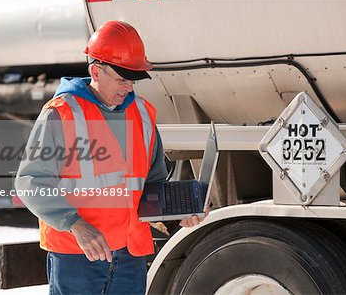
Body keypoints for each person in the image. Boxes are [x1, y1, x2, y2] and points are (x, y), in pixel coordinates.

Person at [15, 21, 205, 295]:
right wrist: (76, 225)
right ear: (95, 71)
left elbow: (151, 183)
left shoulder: (142, 114)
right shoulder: (62, 113)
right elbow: (30, 182)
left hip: (130, 256)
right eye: (121, 78)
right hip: (79, 254)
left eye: (133, 80)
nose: (128, 87)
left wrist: (179, 214)